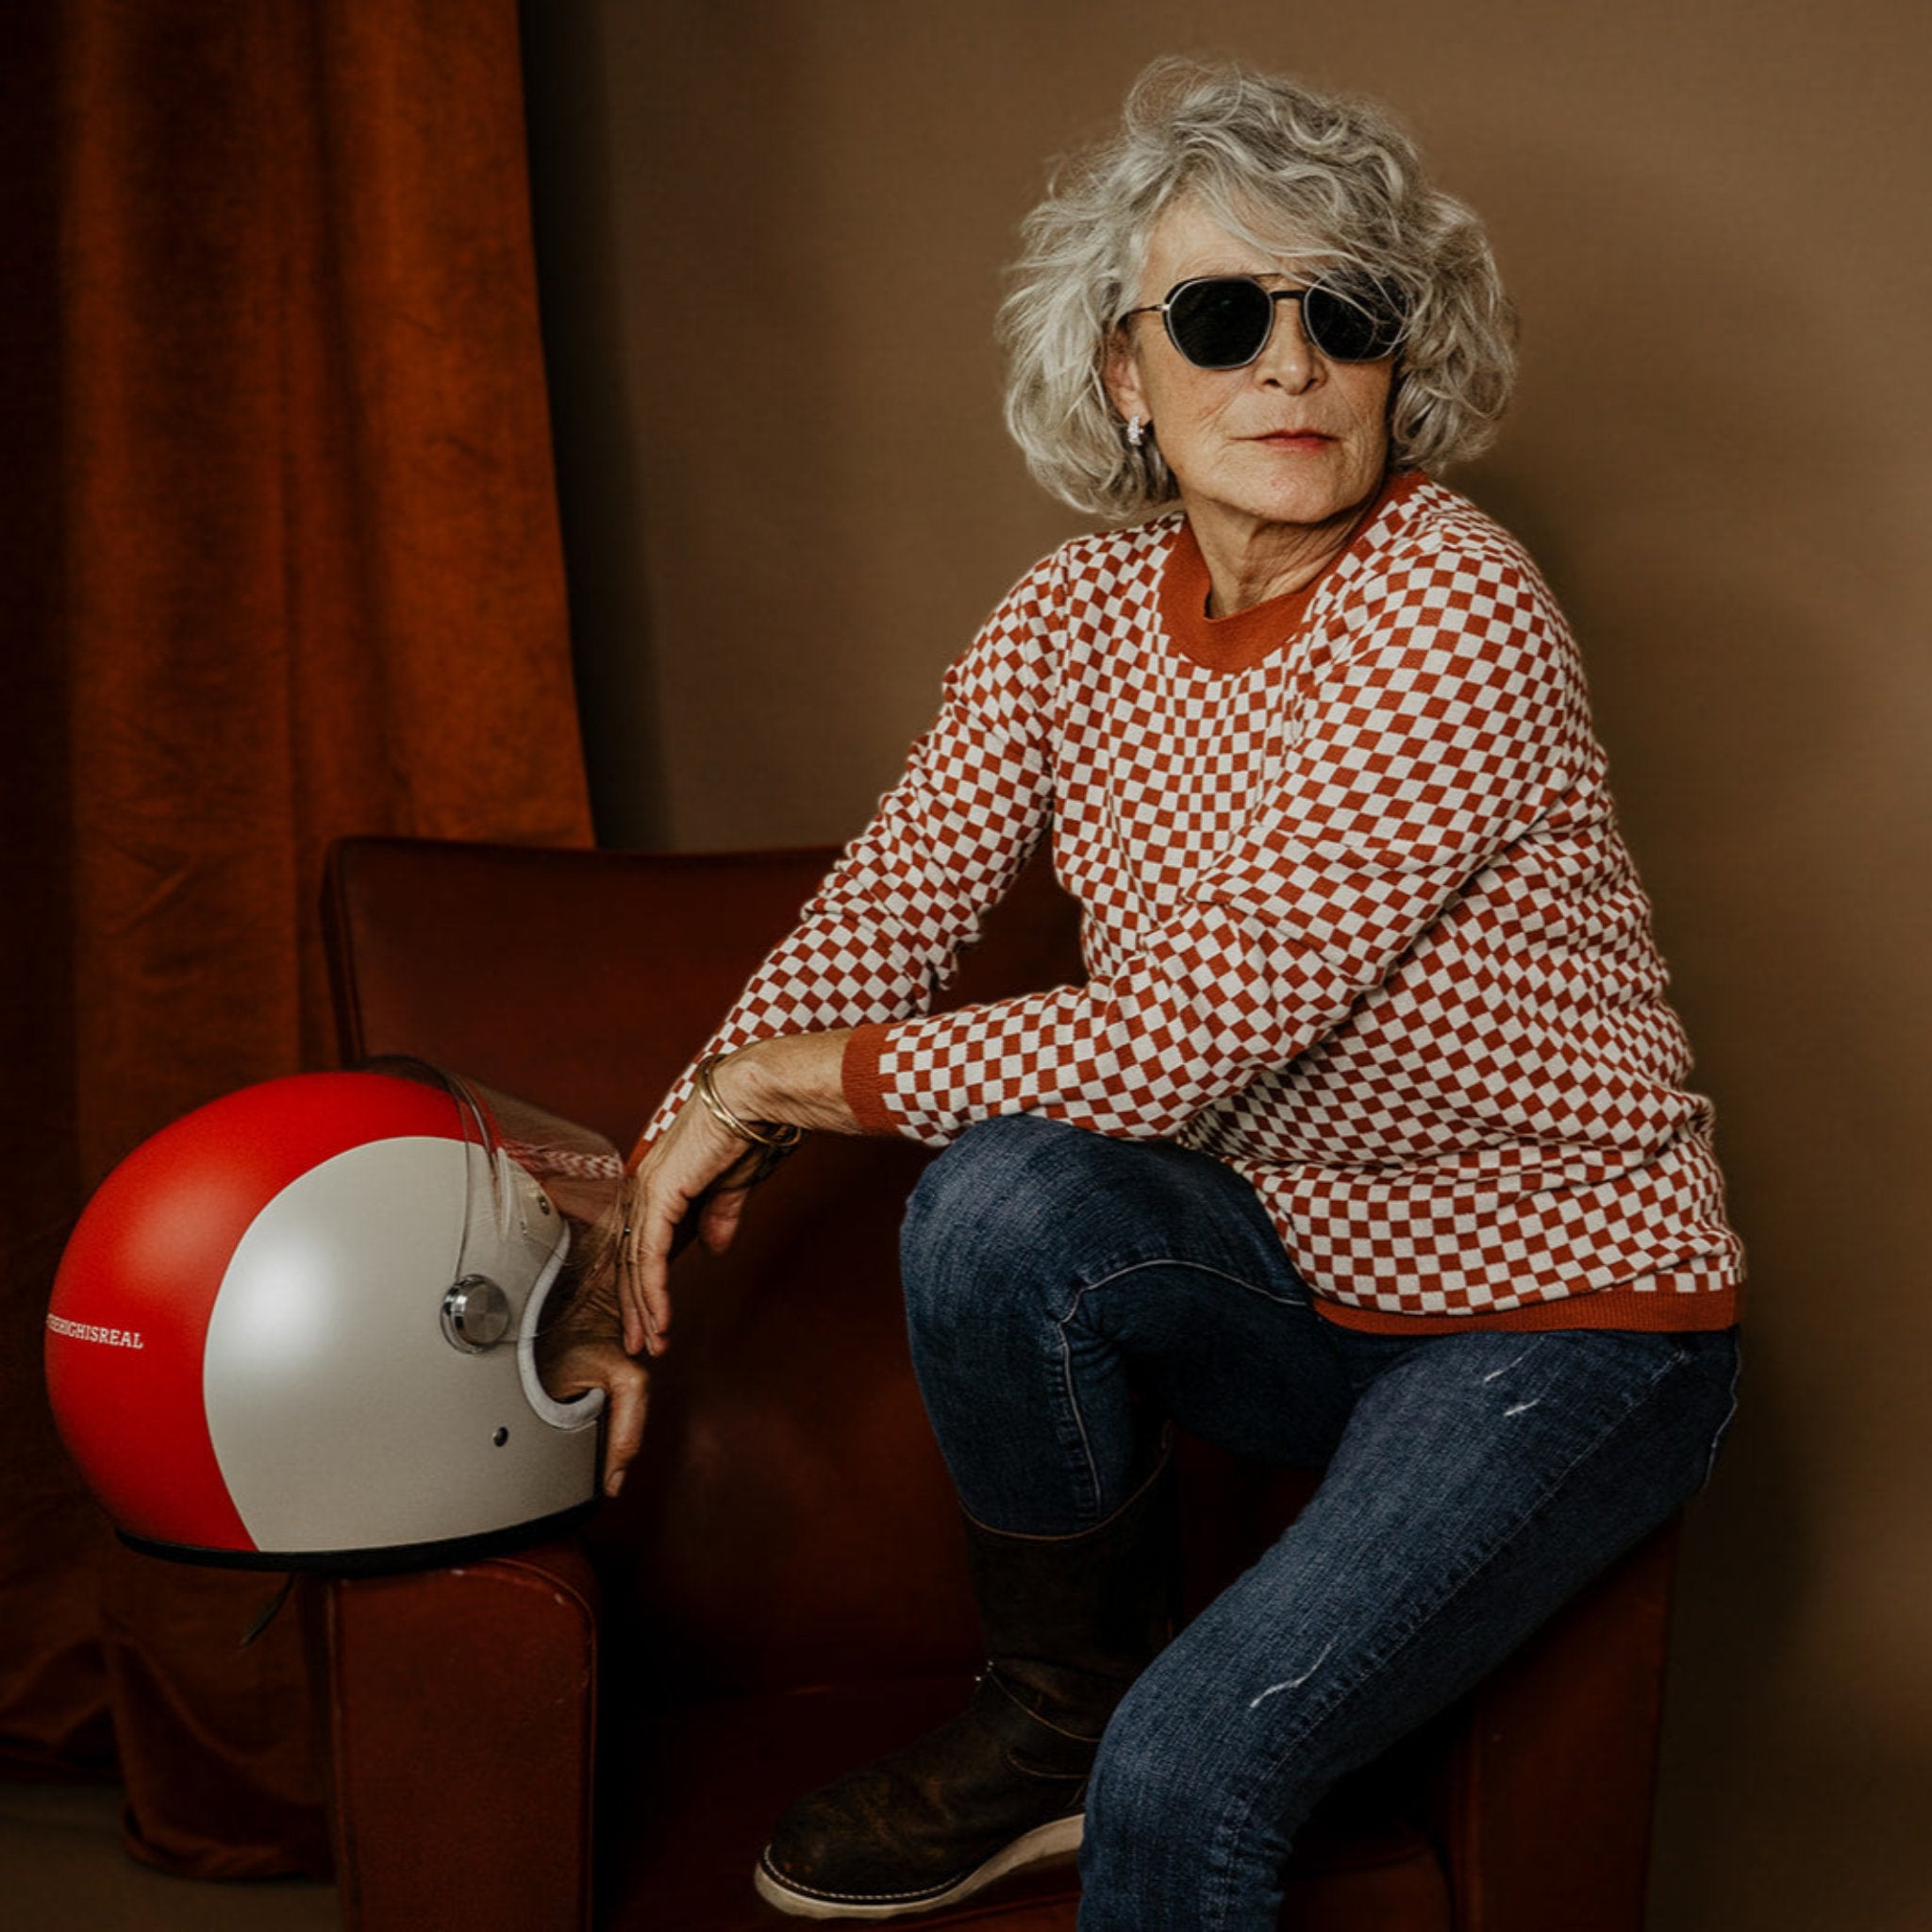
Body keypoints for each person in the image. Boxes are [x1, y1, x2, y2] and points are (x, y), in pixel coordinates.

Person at [543, 54, 1743, 1929]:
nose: (1285, 365)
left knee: (1187, 1774)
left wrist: (774, 1093)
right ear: (1123, 371)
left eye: (1340, 317)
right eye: (1215, 314)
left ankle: (1119, 1746)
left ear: (1392, 364)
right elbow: (886, 909)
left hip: (1553, 1316)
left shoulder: (1455, 598)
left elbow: (1184, 1029)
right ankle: (1048, 1715)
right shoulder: (1069, 616)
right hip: (1294, 1269)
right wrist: (647, 1205)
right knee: (1001, 1199)